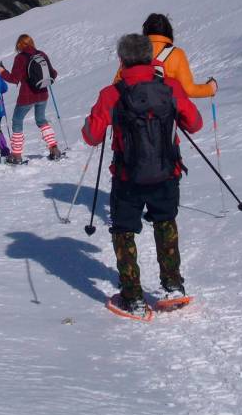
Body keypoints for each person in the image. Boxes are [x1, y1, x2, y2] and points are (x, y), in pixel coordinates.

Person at [82, 34, 203, 319]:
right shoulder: (170, 88)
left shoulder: (111, 94)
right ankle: (173, 286)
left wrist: (93, 121)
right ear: (151, 58)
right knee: (165, 223)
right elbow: (195, 124)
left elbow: (91, 136)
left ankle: (133, 297)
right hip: (167, 172)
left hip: (128, 177)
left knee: (124, 231)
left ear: (121, 60)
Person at [116, 13, 217, 98]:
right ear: (169, 32)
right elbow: (188, 90)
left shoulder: (133, 51)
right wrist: (210, 89)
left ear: (145, 31)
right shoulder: (176, 54)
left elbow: (117, 85)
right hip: (163, 117)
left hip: (131, 116)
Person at [0, 34, 60, 164]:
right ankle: (54, 149)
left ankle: (16, 154)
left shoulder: (20, 58)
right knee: (41, 120)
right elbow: (53, 73)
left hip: (27, 96)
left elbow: (14, 79)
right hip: (43, 93)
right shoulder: (41, 54)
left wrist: (2, 72)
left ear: (19, 45)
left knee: (17, 120)